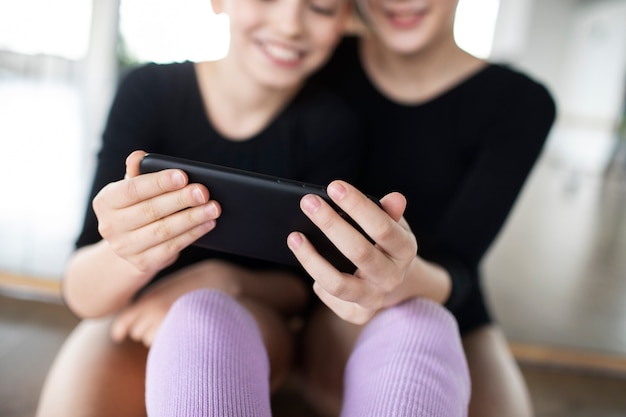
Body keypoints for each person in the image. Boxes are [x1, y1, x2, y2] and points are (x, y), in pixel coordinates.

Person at [35, 0, 471, 415]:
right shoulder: (149, 93)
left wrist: (223, 280)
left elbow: (301, 288)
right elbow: (83, 292)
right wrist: (130, 249)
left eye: (320, 7)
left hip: (257, 323)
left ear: (345, 22)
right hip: (137, 316)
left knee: (203, 318)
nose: (290, 25)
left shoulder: (330, 125)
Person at [285, 0, 557, 416]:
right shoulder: (318, 61)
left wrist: (396, 279)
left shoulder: (521, 103)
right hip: (337, 291)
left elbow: (460, 260)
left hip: (445, 287)